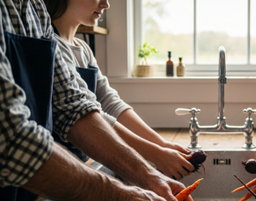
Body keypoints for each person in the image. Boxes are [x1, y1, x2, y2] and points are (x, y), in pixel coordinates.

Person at [0, 0, 186, 201]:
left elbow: (72, 104)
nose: (106, 4)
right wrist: (121, 200)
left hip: (28, 198)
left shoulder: (35, 9)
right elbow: (9, 138)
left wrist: (147, 175)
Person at [43, 0, 195, 180]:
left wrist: (160, 144)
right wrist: (156, 154)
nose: (106, 4)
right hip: (57, 169)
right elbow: (92, 117)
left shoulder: (83, 49)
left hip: (82, 162)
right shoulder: (52, 46)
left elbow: (109, 102)